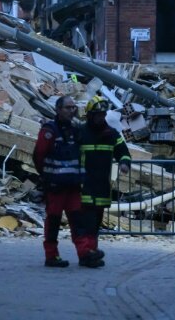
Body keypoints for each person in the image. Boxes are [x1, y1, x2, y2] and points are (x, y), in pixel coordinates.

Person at [76, 95, 131, 268]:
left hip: (101, 186)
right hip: (83, 185)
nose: (101, 118)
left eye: (103, 114)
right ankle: (87, 254)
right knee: (86, 221)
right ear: (90, 115)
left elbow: (123, 151)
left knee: (95, 222)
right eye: (98, 114)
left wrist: (124, 163)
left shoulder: (111, 134)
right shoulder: (80, 133)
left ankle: (91, 252)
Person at [33, 95, 83, 267]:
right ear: (58, 109)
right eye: (68, 108)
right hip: (55, 186)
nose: (71, 111)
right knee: (53, 220)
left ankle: (84, 254)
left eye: (73, 107)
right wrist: (46, 176)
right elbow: (38, 155)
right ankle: (51, 256)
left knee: (78, 221)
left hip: (73, 185)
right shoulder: (50, 130)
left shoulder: (76, 130)